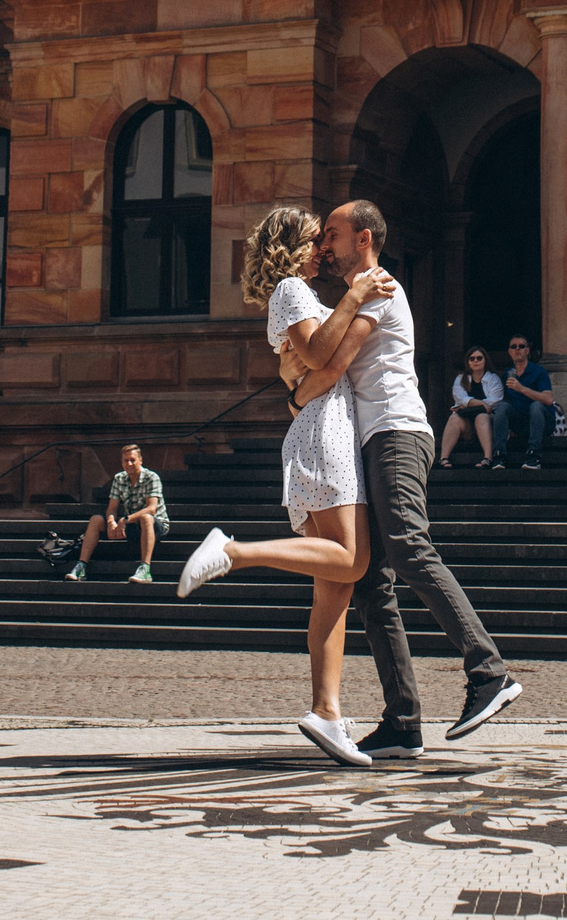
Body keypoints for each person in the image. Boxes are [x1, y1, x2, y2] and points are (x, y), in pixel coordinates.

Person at [290, 200, 519, 755]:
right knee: (372, 582)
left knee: (409, 548)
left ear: (363, 238)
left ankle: (489, 673)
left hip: (396, 432)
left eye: (334, 235)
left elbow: (334, 362)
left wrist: (297, 392)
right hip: (368, 440)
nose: (324, 244)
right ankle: (403, 719)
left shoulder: (379, 286)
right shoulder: (358, 291)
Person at [175, 205, 395, 766]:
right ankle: (232, 550)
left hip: (323, 423)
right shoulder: (292, 291)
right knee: (350, 560)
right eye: (317, 238)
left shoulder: (297, 294)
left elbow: (311, 365)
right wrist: (355, 299)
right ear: (294, 245)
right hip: (324, 430)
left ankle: (326, 712)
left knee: (335, 588)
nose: (325, 246)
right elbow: (320, 355)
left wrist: (300, 378)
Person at [70, 444, 166, 583]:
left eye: (132, 460)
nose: (129, 464)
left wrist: (125, 520)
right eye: (125, 461)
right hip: (131, 525)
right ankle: (81, 566)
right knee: (96, 520)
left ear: (140, 460)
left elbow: (151, 508)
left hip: (156, 525)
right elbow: (112, 508)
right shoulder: (119, 478)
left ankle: (145, 569)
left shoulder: (151, 477)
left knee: (146, 517)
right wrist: (111, 522)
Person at [439, 348, 504, 469]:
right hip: (467, 424)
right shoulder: (461, 378)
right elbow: (459, 397)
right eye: (472, 358)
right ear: (468, 361)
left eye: (479, 358)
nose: (475, 361)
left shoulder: (493, 379)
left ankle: (488, 457)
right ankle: (443, 458)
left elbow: (495, 401)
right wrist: (481, 404)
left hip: (488, 422)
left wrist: (469, 403)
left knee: (482, 416)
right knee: (454, 419)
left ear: (485, 360)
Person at [498, 336, 555, 471]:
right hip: (521, 423)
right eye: (514, 346)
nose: (517, 349)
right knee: (502, 406)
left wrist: (521, 388)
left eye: (521, 346)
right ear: (509, 351)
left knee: (535, 406)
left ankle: (533, 455)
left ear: (527, 350)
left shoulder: (538, 371)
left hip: (543, 422)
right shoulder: (508, 373)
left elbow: (548, 399)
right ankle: (499, 454)